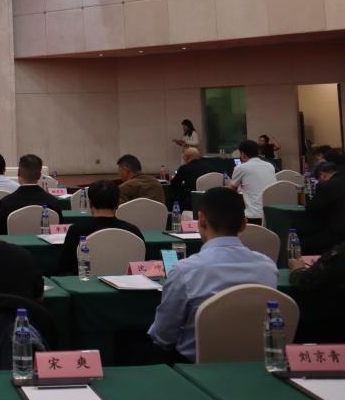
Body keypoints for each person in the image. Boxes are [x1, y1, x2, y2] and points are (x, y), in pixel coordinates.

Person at [147, 187, 278, 362]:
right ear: (244, 224)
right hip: (256, 364)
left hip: (194, 367)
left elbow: (163, 336)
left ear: (201, 220)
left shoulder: (185, 271)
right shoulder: (268, 267)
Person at [57, 180, 144, 274]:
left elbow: (65, 268)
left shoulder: (76, 230)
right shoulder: (133, 231)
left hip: (85, 282)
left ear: (90, 203)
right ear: (118, 203)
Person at [0, 154, 63, 234]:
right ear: (39, 175)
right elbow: (59, 232)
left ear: (18, 173)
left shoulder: (6, 203)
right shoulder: (53, 202)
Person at [302, 150, 345, 253]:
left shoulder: (327, 186)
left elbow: (311, 208)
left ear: (322, 175)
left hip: (336, 235)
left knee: (302, 243)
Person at [229, 140, 276, 224]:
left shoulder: (241, 168)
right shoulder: (270, 166)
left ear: (243, 154)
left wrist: (235, 172)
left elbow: (230, 191)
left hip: (253, 217)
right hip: (271, 215)